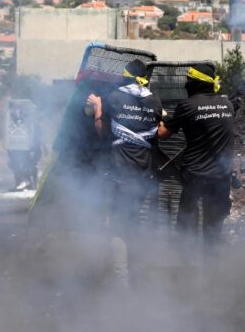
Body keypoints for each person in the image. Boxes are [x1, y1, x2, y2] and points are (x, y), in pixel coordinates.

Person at [86, 59, 163, 286]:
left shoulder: (115, 98)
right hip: (144, 173)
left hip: (120, 173)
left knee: (119, 226)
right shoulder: (155, 101)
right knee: (135, 222)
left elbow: (102, 132)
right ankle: (139, 273)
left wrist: (97, 107)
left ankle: (122, 280)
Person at [157, 64, 236, 254]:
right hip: (221, 177)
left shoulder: (188, 105)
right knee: (213, 228)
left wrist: (158, 114)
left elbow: (163, 134)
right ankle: (211, 272)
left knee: (185, 222)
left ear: (196, 83)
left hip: (195, 175)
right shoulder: (227, 105)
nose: (186, 84)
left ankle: (184, 267)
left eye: (189, 81)